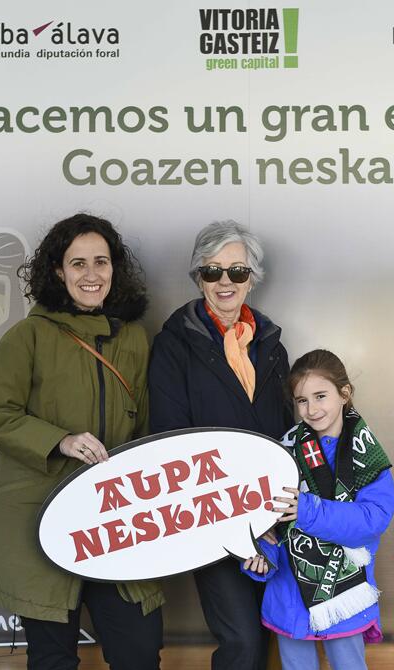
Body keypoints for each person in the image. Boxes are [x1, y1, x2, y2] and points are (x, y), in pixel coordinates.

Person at [0, 214, 163, 670]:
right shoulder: (27, 337)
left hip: (117, 518)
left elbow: (147, 427)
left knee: (138, 653)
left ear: (114, 268)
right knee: (52, 659)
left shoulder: (135, 339)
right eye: (78, 263)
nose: (91, 274)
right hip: (43, 517)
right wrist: (60, 440)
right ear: (58, 272)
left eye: (101, 261)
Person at [149, 220, 292, 670]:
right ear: (197, 277)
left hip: (273, 519)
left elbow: (287, 436)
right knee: (243, 644)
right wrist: (238, 527)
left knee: (273, 637)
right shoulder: (174, 347)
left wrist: (275, 520)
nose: (225, 282)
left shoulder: (270, 345)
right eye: (212, 272)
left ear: (253, 278)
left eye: (237, 271)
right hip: (212, 519)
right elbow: (173, 443)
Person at [243, 349, 394, 670]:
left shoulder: (365, 455)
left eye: (321, 396)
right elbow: (266, 523)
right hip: (289, 594)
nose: (311, 409)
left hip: (344, 590)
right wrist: (261, 555)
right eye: (301, 401)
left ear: (345, 394)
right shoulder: (282, 451)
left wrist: (307, 511)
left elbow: (373, 520)